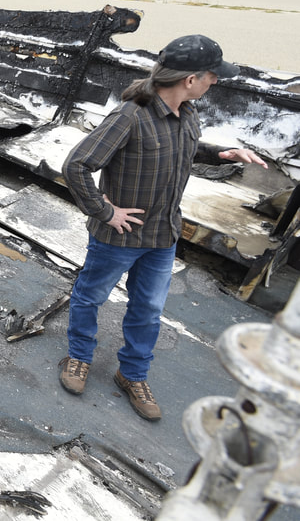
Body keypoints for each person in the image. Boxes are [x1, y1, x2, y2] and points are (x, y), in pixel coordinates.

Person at [58, 34, 266, 421]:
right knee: (90, 297)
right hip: (118, 238)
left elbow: (185, 149)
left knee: (149, 310)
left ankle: (132, 374)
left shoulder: (187, 113)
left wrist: (221, 154)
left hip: (163, 236)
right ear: (191, 79)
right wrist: (105, 211)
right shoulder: (130, 116)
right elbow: (77, 165)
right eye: (212, 75)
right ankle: (79, 357)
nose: (215, 81)